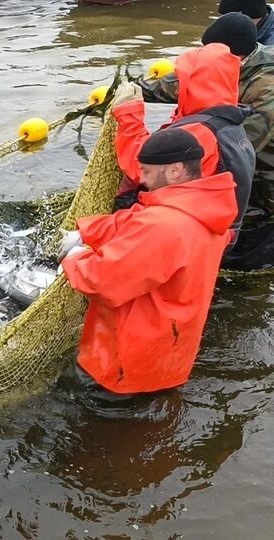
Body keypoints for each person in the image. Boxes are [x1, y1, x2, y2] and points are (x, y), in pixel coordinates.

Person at [58, 129, 237, 396]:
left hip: (123, 363)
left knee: (88, 424)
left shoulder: (163, 226)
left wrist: (74, 258)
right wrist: (88, 231)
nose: (140, 179)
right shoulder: (207, 208)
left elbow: (102, 280)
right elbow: (137, 220)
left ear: (175, 170)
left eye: (146, 171)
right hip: (169, 353)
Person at [113, 40, 254, 244]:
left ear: (197, 83)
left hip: (180, 236)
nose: (177, 88)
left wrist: (129, 114)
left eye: (182, 80)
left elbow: (141, 169)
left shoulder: (201, 132)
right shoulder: (229, 120)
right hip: (213, 232)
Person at [137, 13, 273, 221]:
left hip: (263, 176)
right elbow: (180, 84)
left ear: (232, 56)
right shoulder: (221, 65)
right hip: (236, 166)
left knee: (248, 230)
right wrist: (132, 90)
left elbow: (240, 145)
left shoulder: (267, 85)